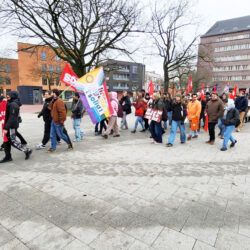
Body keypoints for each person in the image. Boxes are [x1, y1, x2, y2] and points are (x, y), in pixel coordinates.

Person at [0, 91, 32, 163]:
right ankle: (8, 157)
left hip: (11, 126)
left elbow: (12, 118)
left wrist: (6, 128)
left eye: (9, 96)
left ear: (13, 96)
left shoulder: (13, 104)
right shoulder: (11, 103)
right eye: (7, 96)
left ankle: (27, 150)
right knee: (6, 141)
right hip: (9, 125)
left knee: (12, 141)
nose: (7, 97)